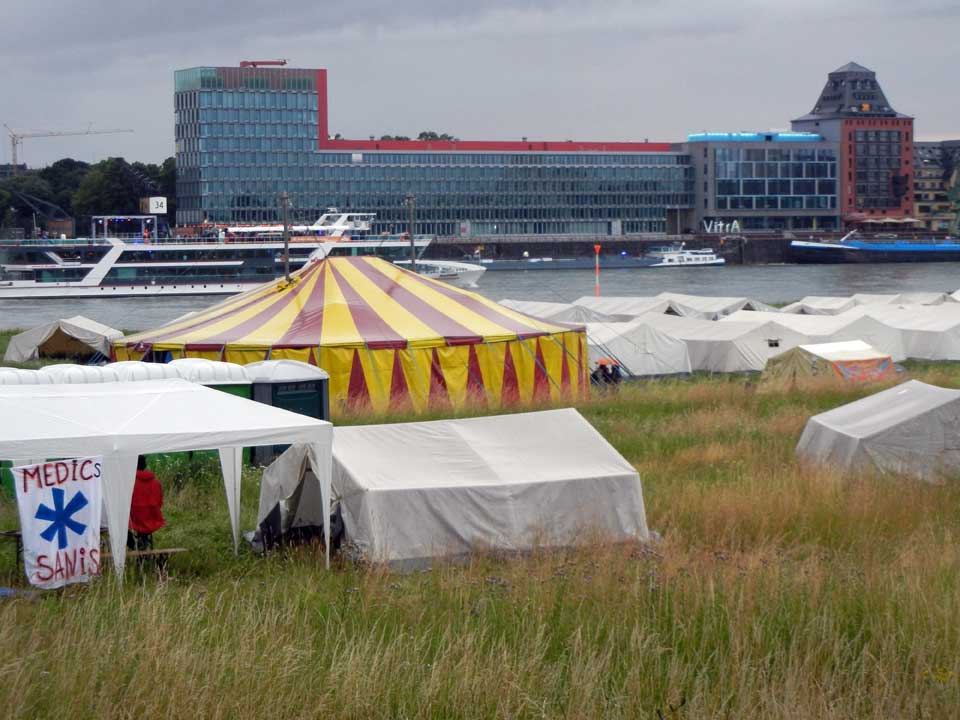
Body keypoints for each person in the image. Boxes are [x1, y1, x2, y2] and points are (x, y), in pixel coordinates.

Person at [128, 456, 165, 551]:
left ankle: (136, 547)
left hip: (134, 519)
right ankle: (145, 551)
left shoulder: (129, 482)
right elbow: (159, 502)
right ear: (145, 465)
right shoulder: (156, 483)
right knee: (145, 535)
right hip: (151, 517)